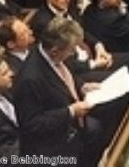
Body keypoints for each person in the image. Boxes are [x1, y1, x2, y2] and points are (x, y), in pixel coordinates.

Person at [13, 16, 110, 163]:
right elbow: (32, 124)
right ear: (54, 51)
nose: (72, 53)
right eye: (71, 50)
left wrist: (82, 86)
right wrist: (70, 111)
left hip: (73, 132)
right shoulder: (29, 79)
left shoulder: (54, 55)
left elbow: (63, 75)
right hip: (53, 150)